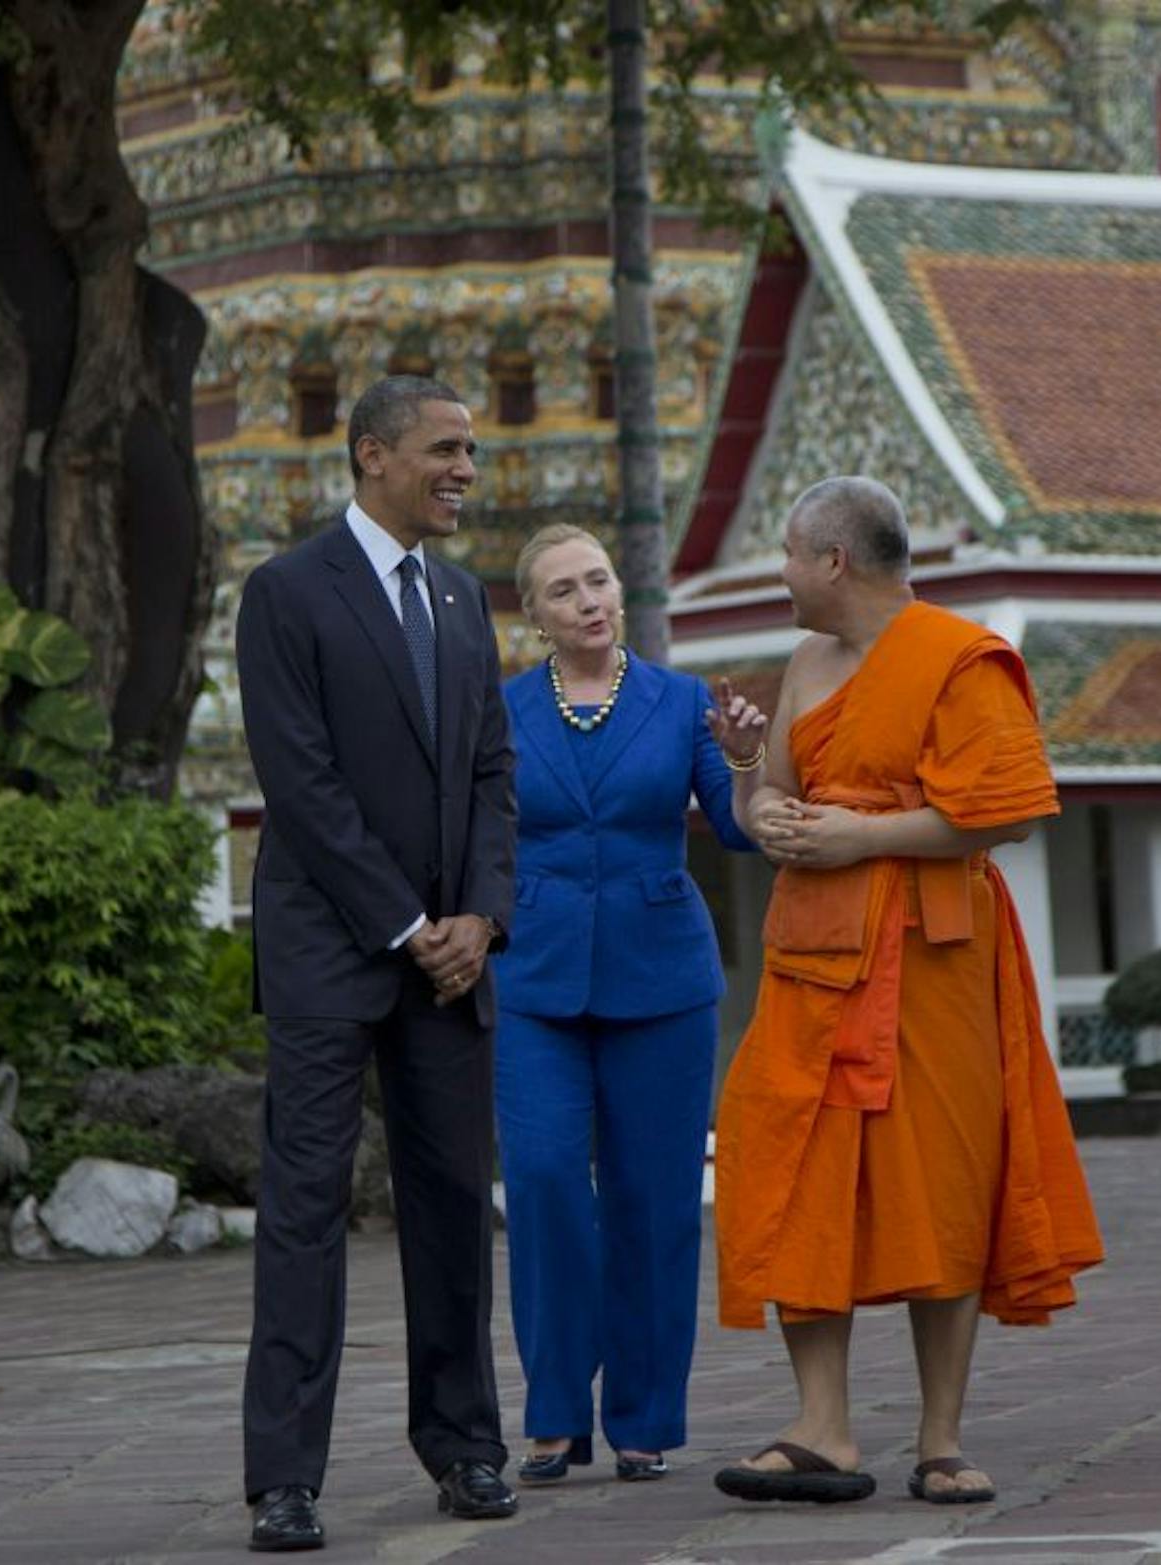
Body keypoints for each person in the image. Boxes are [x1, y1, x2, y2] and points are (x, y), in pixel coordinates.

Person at [710, 476, 1103, 1507]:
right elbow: (778, 803)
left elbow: (1004, 811)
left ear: (834, 561)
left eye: (790, 554)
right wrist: (760, 794)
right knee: (794, 1164)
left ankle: (940, 1436)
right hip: (813, 951)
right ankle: (821, 1425)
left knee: (941, 1179)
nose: (782, 574)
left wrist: (865, 835)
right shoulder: (805, 660)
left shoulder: (956, 658)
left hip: (933, 954)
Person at [235, 375, 520, 1553]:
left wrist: (481, 921)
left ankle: (465, 1446)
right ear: (371, 457)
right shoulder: (286, 594)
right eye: (445, 449)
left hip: (451, 962)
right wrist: (408, 923)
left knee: (454, 1203)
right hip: (329, 952)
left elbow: (494, 779)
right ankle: (285, 1479)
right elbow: (299, 786)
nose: (466, 468)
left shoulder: (461, 600)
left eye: (471, 451)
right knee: (304, 1209)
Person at [490, 524, 766, 1488]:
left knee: (653, 1202)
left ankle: (645, 1417)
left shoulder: (685, 703)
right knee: (545, 1181)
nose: (591, 600)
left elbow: (740, 832)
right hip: (534, 975)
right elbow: (471, 831)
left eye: (599, 580)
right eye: (564, 591)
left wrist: (742, 760)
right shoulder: (502, 711)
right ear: (535, 617)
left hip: (662, 978)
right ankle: (555, 1412)